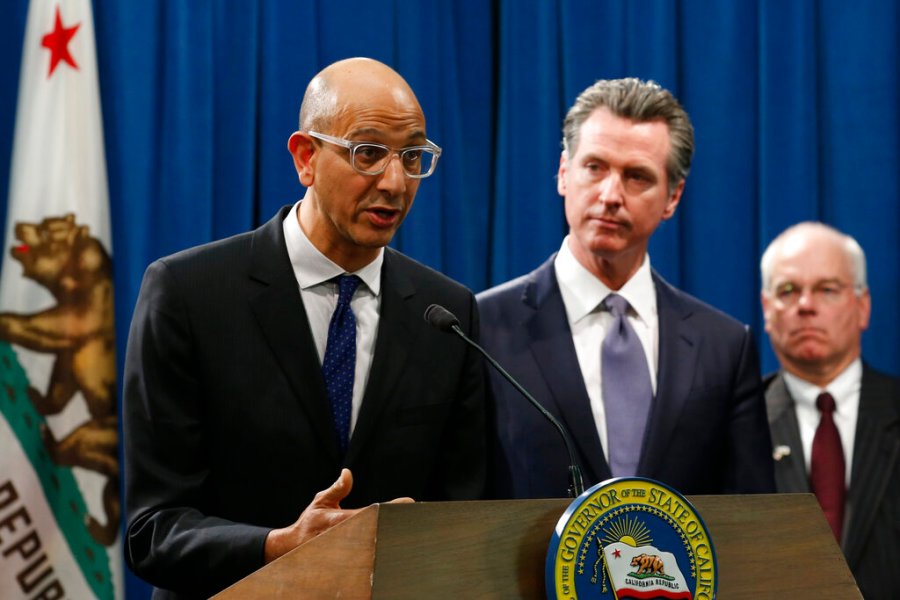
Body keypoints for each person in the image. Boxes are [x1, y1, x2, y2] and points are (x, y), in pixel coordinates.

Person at [123, 57, 486, 599]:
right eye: (368, 153)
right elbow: (153, 530)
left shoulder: (445, 313)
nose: (394, 181)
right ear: (305, 157)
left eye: (412, 157)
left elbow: (464, 519)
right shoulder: (188, 293)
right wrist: (278, 544)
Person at [477, 78, 774, 499]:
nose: (610, 194)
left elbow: (753, 519)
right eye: (595, 167)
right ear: (564, 173)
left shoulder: (724, 347)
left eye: (637, 177)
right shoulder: (481, 327)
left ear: (673, 197)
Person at [760, 222, 899, 600]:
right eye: (788, 291)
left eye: (827, 289)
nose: (806, 306)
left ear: (863, 306)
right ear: (767, 309)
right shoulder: (738, 423)